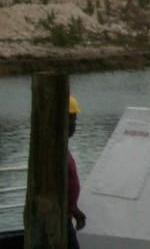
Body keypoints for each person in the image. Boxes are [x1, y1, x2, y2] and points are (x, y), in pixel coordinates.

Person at [67, 95, 86, 249]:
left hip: (65, 216)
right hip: (58, 219)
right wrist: (73, 209)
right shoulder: (54, 151)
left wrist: (73, 210)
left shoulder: (62, 148)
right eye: (72, 119)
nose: (75, 125)